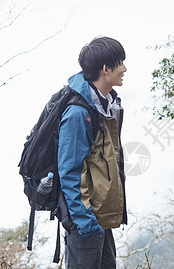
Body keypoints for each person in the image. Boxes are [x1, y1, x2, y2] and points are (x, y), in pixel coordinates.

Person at [57, 36, 127, 268]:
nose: (125, 68)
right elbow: (70, 171)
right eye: (121, 63)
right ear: (105, 69)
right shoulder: (78, 112)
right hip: (85, 221)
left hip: (100, 218)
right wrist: (85, 222)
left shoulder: (106, 106)